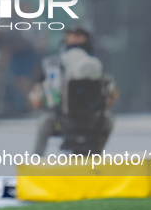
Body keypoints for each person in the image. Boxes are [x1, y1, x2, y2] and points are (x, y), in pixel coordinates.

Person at [29, 27, 118, 156]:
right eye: (72, 35)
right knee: (45, 122)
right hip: (61, 118)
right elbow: (36, 95)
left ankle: (95, 157)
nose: (75, 38)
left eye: (79, 35)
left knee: (108, 121)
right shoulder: (51, 65)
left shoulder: (97, 64)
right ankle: (35, 161)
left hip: (92, 118)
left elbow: (111, 93)